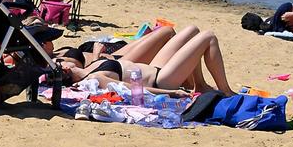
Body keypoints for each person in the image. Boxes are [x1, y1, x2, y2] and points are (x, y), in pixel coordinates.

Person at [61, 25, 235, 95]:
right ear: (67, 70)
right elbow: (134, 90)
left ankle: (200, 85)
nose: (61, 60)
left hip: (153, 68)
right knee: (208, 37)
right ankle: (226, 90)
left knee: (192, 31)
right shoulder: (93, 78)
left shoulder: (90, 67)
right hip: (161, 81)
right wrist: (172, 93)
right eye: (60, 62)